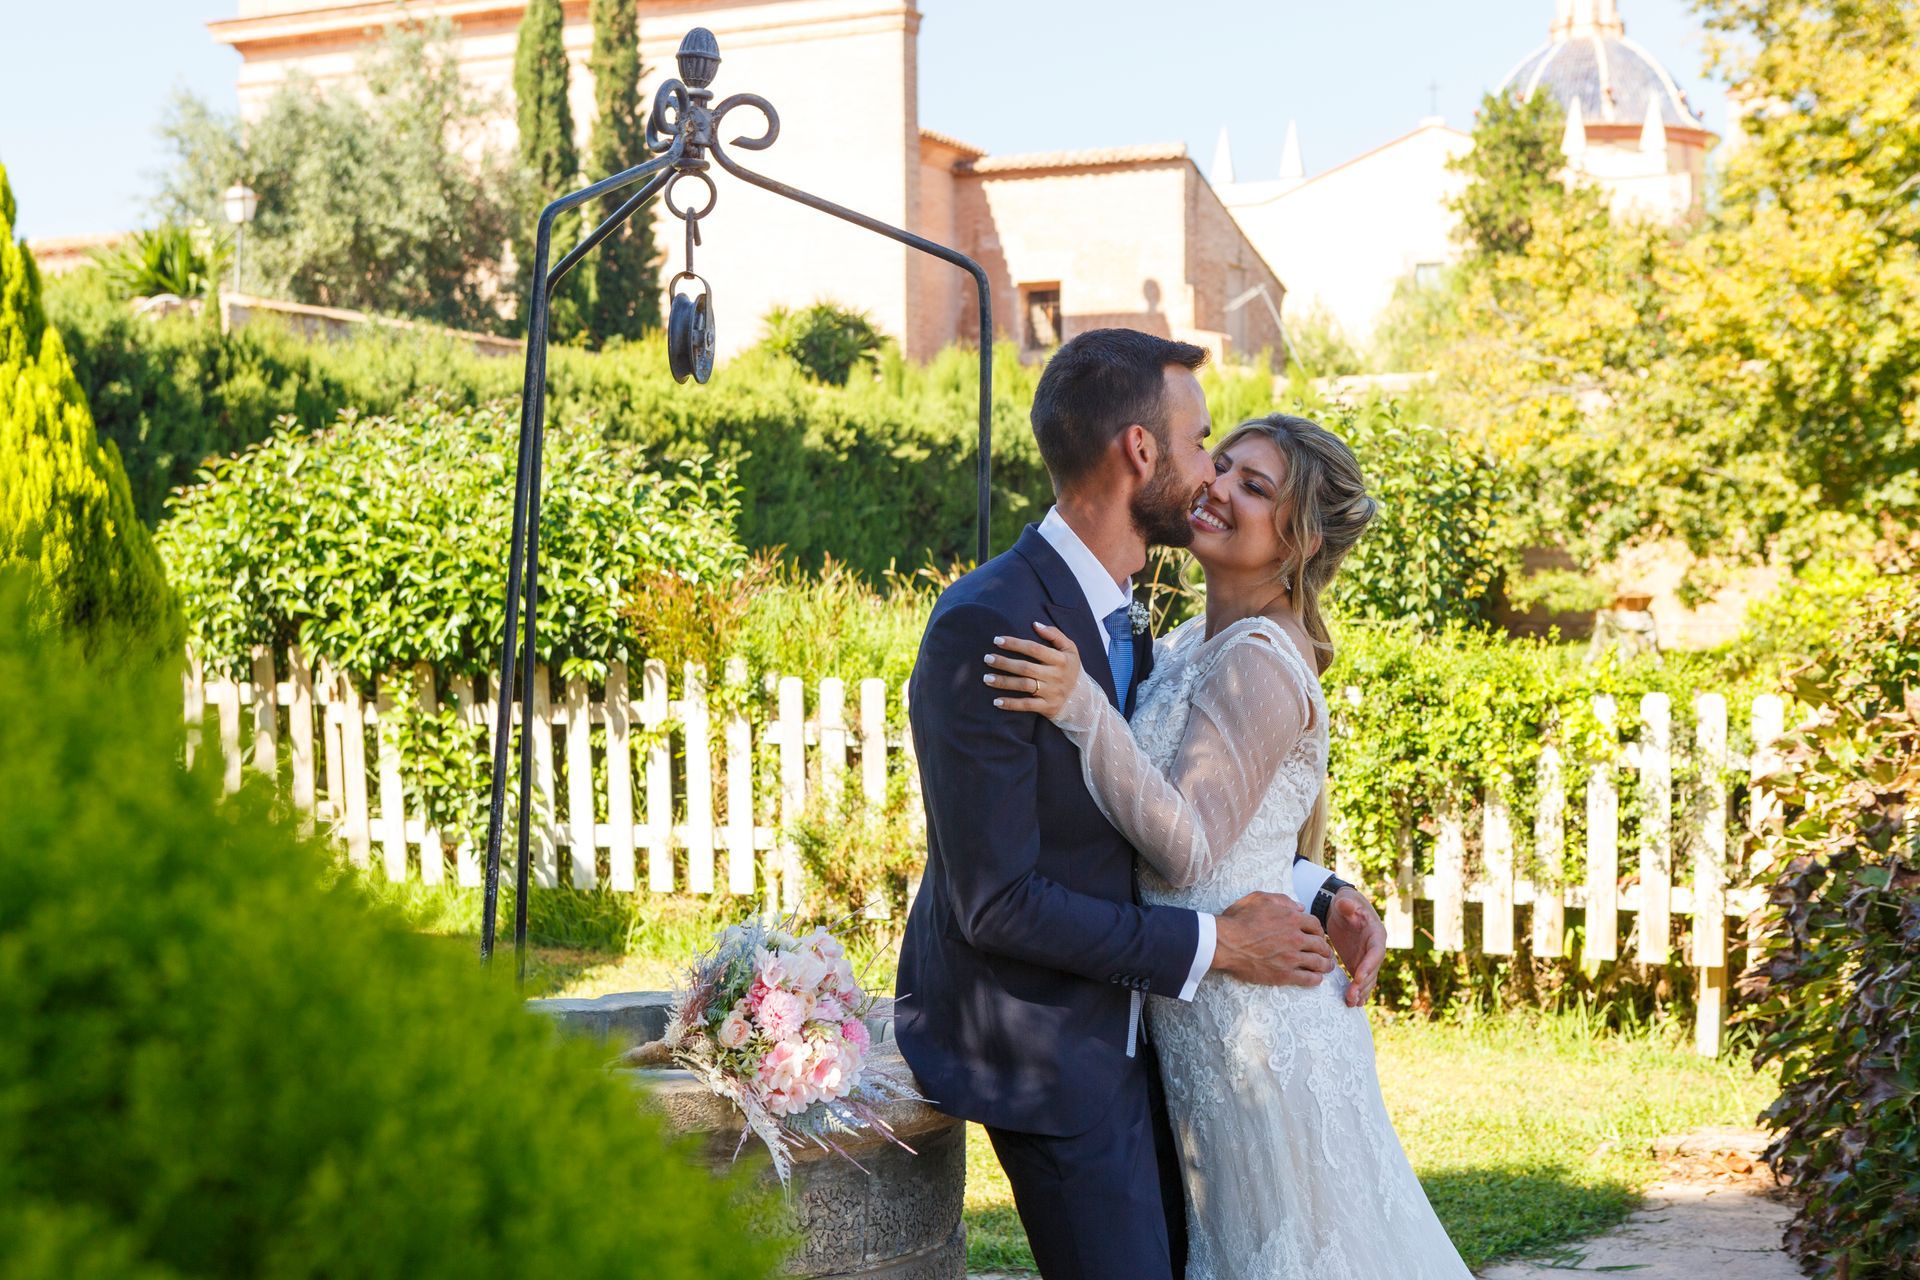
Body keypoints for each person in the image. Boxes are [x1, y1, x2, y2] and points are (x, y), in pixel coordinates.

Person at [894, 328, 1390, 1280]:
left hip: (1169, 1041)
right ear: (1140, 451)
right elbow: (995, 901)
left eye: (1245, 476)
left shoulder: (1135, 617)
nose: (1210, 476)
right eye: (1206, 445)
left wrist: (1318, 890)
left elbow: (1172, 811)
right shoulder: (989, 623)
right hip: (1051, 1051)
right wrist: (1218, 947)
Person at [984, 405, 1475, 1279]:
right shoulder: (1181, 645)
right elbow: (1248, 833)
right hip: (1201, 1019)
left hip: (1261, 1026)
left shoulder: (1259, 658)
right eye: (1225, 466)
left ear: (1298, 542)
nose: (1216, 488)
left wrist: (1080, 707)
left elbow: (1189, 851)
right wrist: (1327, 889)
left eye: (1256, 487)